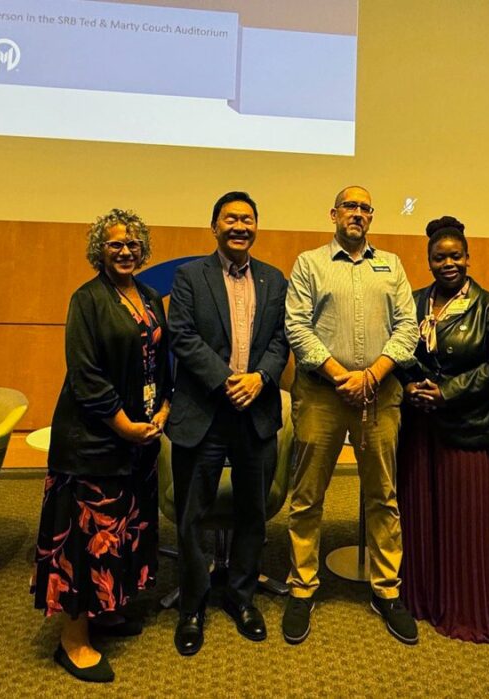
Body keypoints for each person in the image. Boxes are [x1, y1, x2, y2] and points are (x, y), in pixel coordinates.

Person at [32, 209, 171, 683]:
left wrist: (163, 411)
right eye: (115, 244)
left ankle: (106, 611)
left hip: (136, 444)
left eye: (133, 243)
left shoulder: (150, 296)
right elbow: (86, 377)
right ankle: (72, 641)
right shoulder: (86, 300)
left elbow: (160, 360)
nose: (126, 250)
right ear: (100, 250)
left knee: (122, 533)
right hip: (92, 444)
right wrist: (124, 425)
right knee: (83, 541)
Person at [283, 185, 419, 645]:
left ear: (371, 217)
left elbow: (408, 327)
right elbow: (296, 327)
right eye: (349, 207)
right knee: (307, 496)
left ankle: (386, 590)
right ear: (334, 214)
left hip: (379, 394)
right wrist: (343, 375)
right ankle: (301, 589)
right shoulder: (310, 263)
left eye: (365, 208)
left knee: (383, 496)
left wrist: (373, 374)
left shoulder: (392, 265)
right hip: (322, 394)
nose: (357, 214)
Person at [166, 191, 288, 655]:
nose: (240, 225)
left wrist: (259, 379)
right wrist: (227, 381)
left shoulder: (274, 279)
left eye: (248, 219)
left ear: (256, 227)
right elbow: (181, 334)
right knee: (192, 515)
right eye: (231, 218)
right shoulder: (189, 277)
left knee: (252, 514)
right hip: (205, 414)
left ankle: (241, 597)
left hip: (255, 412)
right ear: (214, 225)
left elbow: (281, 340)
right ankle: (192, 607)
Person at [397, 216, 489, 643]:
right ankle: (425, 597)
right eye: (439, 257)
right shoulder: (412, 302)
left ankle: (470, 607)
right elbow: (397, 349)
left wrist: (447, 392)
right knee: (423, 515)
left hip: (471, 428)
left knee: (467, 521)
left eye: (455, 256)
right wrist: (412, 385)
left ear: (468, 258)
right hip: (420, 427)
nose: (447, 263)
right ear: (428, 260)